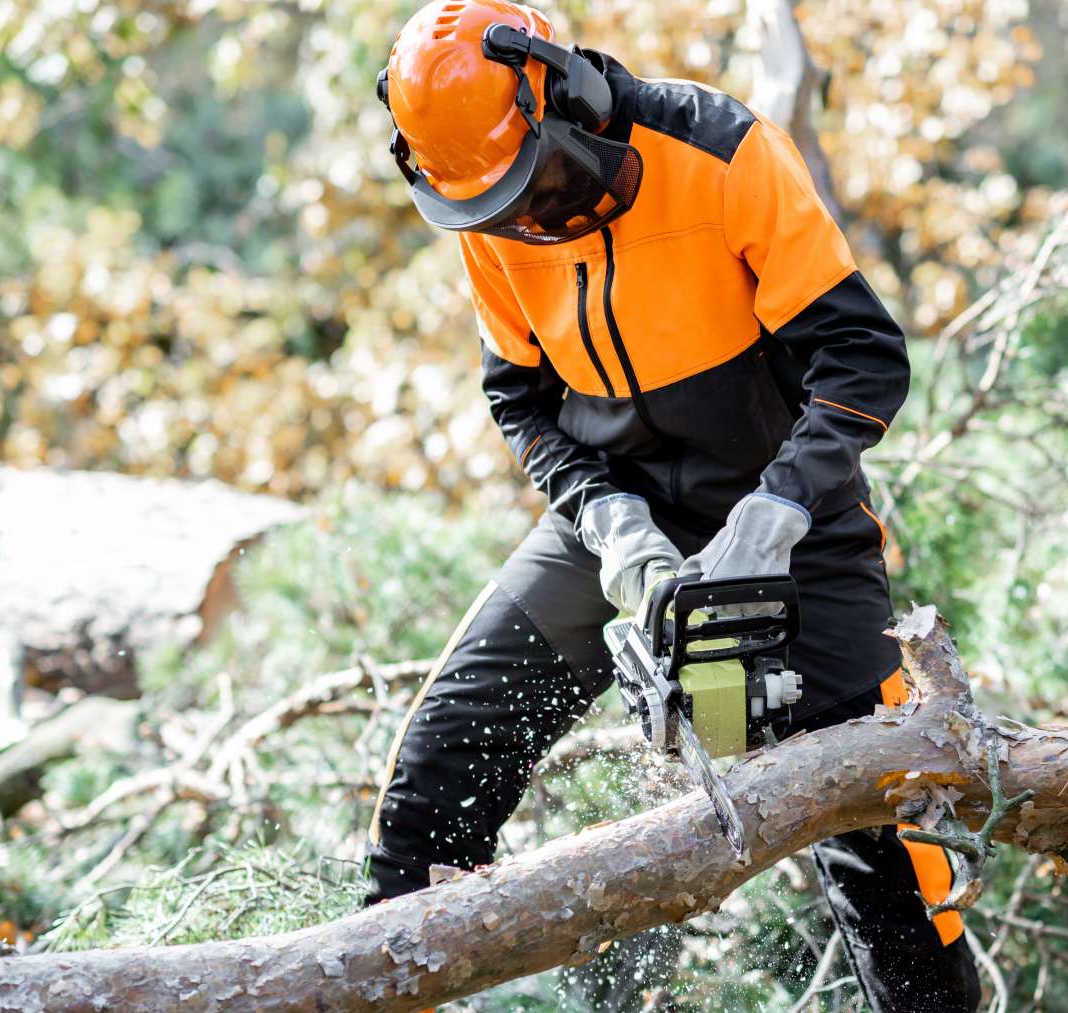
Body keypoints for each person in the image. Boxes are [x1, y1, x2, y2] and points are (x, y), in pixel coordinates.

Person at [365, 2, 981, 1009]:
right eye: (497, 207)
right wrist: (609, 524)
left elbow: (862, 356)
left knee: (886, 839)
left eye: (538, 185)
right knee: (443, 759)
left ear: (567, 96)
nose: (528, 220)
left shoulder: (720, 153)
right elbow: (519, 394)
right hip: (614, 508)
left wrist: (776, 511)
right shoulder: (485, 199)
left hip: (791, 515)